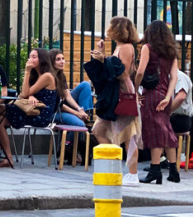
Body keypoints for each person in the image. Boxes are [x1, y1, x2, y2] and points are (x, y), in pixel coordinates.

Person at [85, 16, 142, 186]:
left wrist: (104, 59)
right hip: (116, 92)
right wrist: (103, 55)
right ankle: (114, 165)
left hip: (122, 92)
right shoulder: (119, 47)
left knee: (127, 134)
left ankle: (132, 174)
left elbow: (122, 73)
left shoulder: (125, 47)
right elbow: (113, 68)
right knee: (100, 129)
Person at [135, 20, 180, 184]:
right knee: (166, 130)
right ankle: (173, 170)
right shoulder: (171, 52)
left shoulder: (147, 48)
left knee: (155, 132)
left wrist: (135, 89)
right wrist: (168, 97)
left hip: (152, 94)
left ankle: (155, 170)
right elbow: (174, 77)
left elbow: (140, 72)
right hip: (165, 94)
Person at [50, 49, 93, 163]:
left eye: (63, 58)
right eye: (58, 59)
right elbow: (60, 105)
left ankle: (86, 114)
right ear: (51, 62)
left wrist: (80, 110)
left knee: (85, 85)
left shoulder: (61, 75)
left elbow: (67, 97)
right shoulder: (50, 78)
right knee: (78, 123)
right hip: (55, 111)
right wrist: (77, 114)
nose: (62, 61)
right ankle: (67, 147)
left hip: (64, 106)